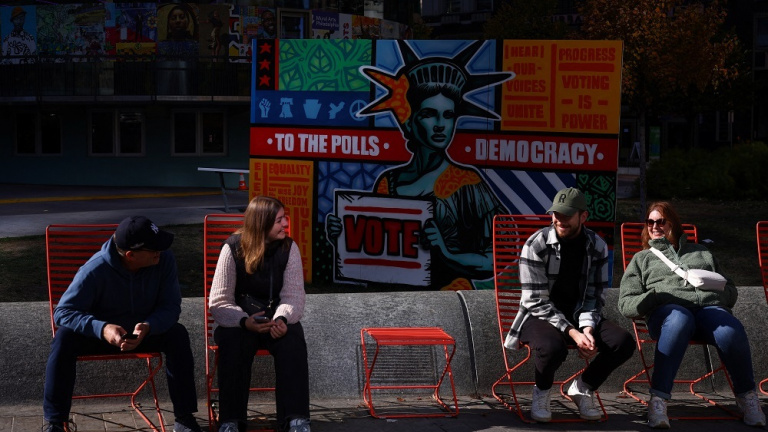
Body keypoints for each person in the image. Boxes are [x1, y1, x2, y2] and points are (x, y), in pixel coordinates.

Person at [326, 40, 511, 290]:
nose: (440, 125)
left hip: (449, 299)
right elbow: (376, 250)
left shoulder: (467, 182)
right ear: (410, 122)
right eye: (429, 114)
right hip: (394, 299)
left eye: (448, 115)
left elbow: (501, 252)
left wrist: (448, 254)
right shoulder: (388, 182)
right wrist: (345, 237)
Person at [42, 216, 202, 432]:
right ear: (130, 255)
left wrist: (149, 326)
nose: (160, 251)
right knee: (63, 339)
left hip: (144, 333)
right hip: (101, 336)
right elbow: (62, 312)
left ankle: (184, 418)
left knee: (178, 335)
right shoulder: (95, 269)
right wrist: (102, 328)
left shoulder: (164, 260)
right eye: (154, 249)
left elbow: (171, 306)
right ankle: (55, 422)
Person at [618, 201, 766, 428]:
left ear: (673, 224)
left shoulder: (702, 252)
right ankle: (658, 400)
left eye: (661, 221)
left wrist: (716, 297)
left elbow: (731, 290)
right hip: (667, 314)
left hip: (708, 311)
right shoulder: (642, 259)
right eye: (650, 222)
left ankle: (747, 396)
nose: (655, 226)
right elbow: (626, 304)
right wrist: (655, 296)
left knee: (730, 329)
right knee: (680, 319)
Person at [504, 187, 635, 422]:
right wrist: (573, 333)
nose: (559, 220)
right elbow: (535, 301)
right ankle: (542, 391)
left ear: (583, 216)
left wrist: (587, 329)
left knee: (623, 342)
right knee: (553, 347)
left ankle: (582, 387)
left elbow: (594, 296)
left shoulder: (597, 246)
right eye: (556, 214)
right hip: (538, 315)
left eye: (567, 214)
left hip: (578, 313)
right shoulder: (536, 244)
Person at [208, 196, 311, 432]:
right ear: (262, 223)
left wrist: (282, 319)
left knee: (293, 339)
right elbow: (220, 301)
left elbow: (294, 295)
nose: (285, 224)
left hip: (275, 320)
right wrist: (244, 321)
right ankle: (231, 421)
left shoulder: (289, 248)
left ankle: (296, 419)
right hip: (242, 322)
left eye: (284, 218)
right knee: (232, 343)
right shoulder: (232, 248)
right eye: (279, 220)